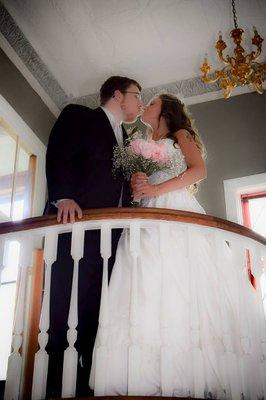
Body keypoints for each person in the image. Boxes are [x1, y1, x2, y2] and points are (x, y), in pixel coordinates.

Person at [89, 94, 266, 398]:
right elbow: (141, 186)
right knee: (143, 282)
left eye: (153, 101)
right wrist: (141, 184)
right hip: (146, 215)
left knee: (183, 282)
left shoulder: (180, 135)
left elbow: (199, 170)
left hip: (174, 208)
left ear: (166, 109)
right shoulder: (139, 143)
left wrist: (157, 187)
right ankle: (147, 375)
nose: (146, 103)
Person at [45, 76, 142, 397]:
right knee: (65, 305)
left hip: (112, 242)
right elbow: (60, 153)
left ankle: (87, 384)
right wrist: (63, 196)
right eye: (137, 96)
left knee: (98, 311)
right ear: (118, 95)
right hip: (77, 231)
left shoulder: (127, 142)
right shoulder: (79, 116)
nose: (140, 104)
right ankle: (56, 386)